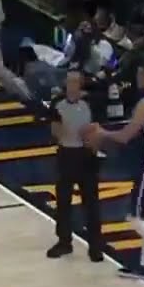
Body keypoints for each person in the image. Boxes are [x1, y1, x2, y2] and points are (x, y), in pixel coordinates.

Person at [87, 59, 144, 280]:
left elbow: (125, 136)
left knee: (138, 217)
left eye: (140, 73)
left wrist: (102, 133)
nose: (137, 78)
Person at [48, 70, 103, 261]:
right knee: (63, 201)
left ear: (81, 85)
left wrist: (93, 140)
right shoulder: (57, 103)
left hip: (86, 156)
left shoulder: (92, 102)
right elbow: (54, 129)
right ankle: (64, 242)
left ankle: (95, 246)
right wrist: (59, 130)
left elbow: (98, 128)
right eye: (68, 82)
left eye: (75, 82)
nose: (71, 86)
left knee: (91, 203)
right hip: (65, 154)